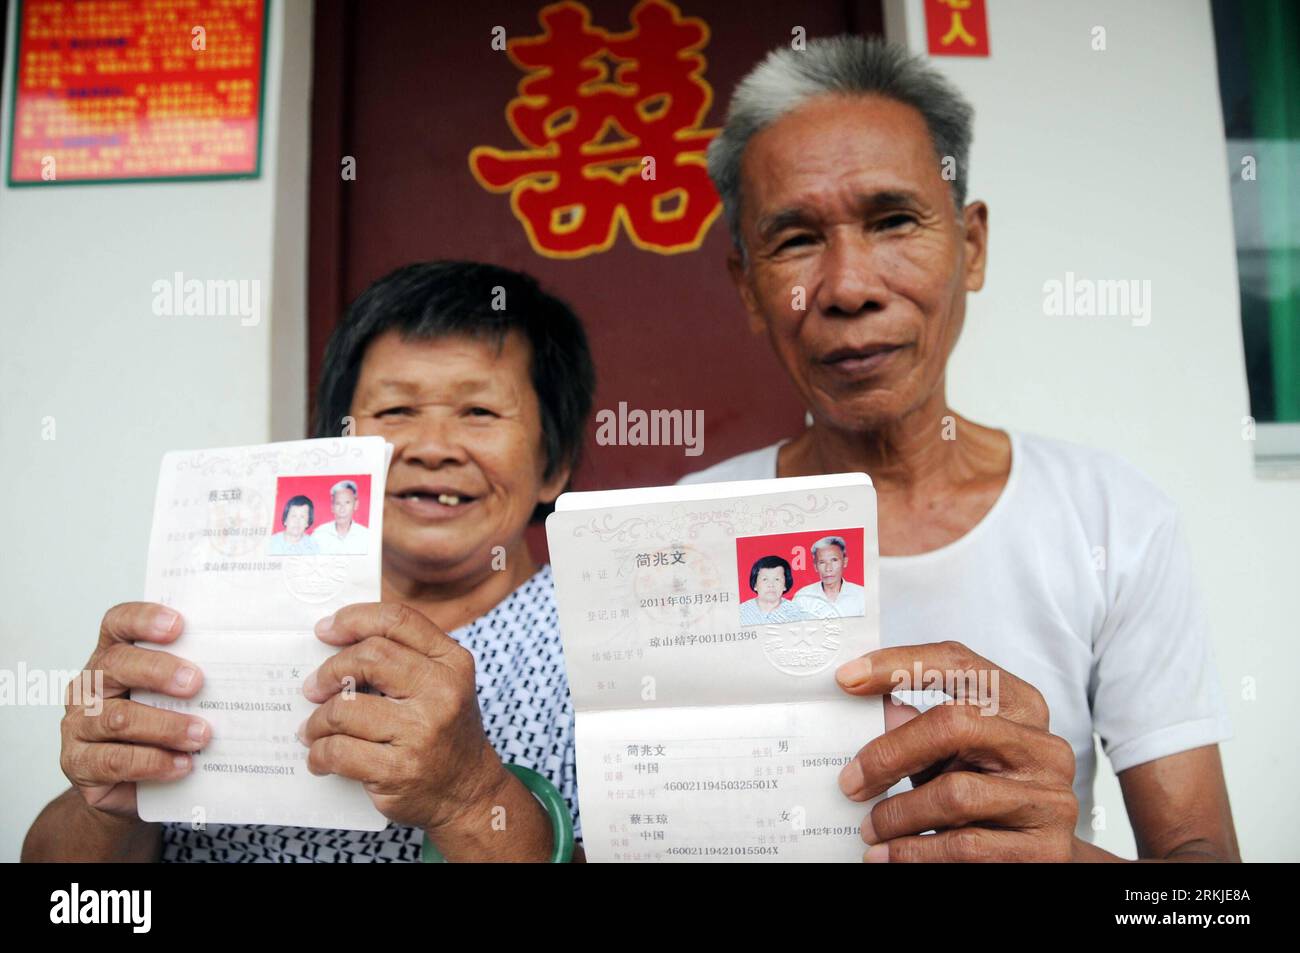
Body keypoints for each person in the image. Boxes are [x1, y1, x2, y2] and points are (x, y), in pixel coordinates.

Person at [681, 37, 1238, 862]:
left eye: (895, 220)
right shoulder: (685, 532)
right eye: (795, 239)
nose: (847, 288)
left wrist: (1059, 853)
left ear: (970, 246)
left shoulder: (1111, 518)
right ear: (747, 289)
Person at [23, 260, 595, 862]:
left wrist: (470, 800)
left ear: (553, 464)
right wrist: (106, 795)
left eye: (479, 412)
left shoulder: (601, 640)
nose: (431, 449)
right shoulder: (209, 622)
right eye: (396, 411)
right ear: (334, 448)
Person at [792, 536, 865, 619]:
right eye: (822, 562)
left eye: (834, 560)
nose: (828, 569)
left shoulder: (862, 595)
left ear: (845, 562)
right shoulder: (802, 597)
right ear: (815, 566)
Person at [738, 555, 813, 624]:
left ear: (785, 585)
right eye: (765, 579)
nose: (771, 585)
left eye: (777, 579)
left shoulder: (799, 614)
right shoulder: (740, 612)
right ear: (755, 585)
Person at [311, 480, 372, 555]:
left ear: (356, 504)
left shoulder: (366, 536)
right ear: (332, 507)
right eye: (338, 503)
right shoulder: (319, 535)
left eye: (347, 502)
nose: (342, 509)